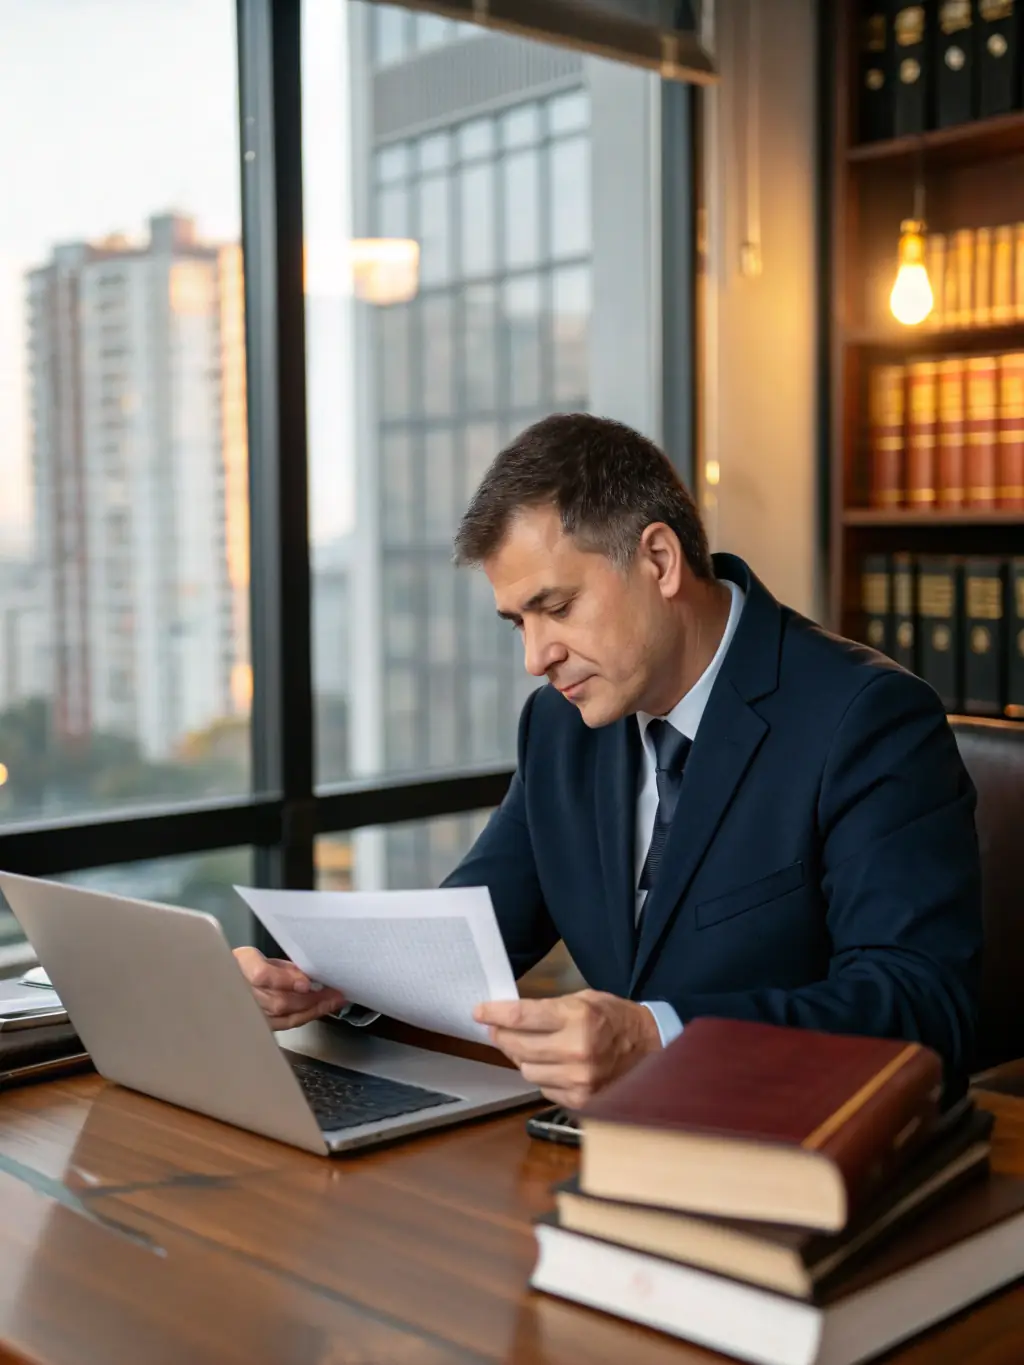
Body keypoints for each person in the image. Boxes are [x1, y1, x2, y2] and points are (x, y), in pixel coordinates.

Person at [235, 414, 982, 1108]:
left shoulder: (868, 718)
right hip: (612, 1142)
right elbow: (471, 933)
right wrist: (319, 981)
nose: (535, 657)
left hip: (793, 1149)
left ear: (658, 559)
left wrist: (654, 1035)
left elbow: (919, 1006)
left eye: (556, 609)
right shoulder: (562, 727)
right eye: (517, 622)